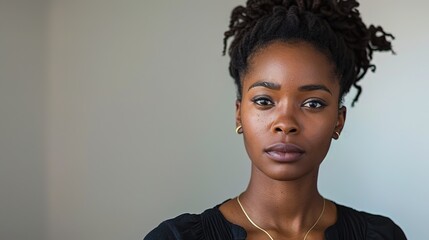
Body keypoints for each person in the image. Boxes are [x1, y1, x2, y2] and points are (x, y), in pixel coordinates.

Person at [144, 0, 406, 239]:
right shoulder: (176, 238)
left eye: (313, 103)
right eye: (264, 101)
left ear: (338, 121)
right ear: (239, 113)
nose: (285, 123)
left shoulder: (382, 236)